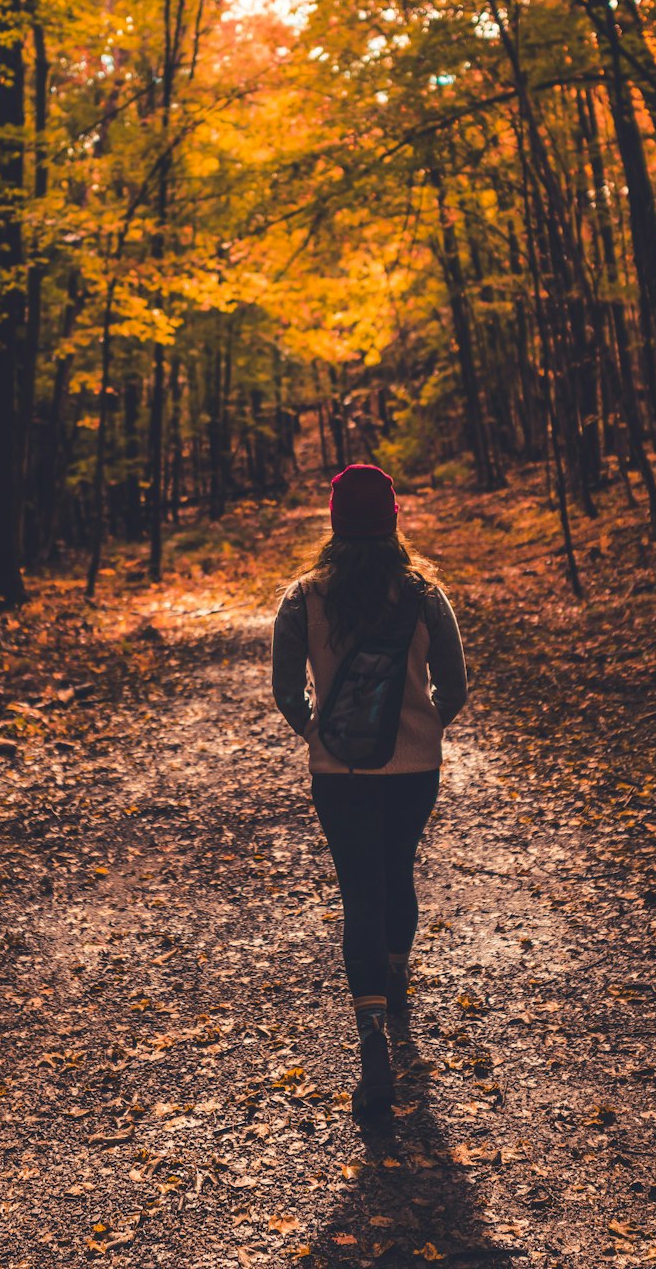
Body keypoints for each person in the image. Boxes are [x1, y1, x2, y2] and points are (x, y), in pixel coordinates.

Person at [271, 463, 468, 1120]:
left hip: (340, 773)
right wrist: (423, 725)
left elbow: (283, 691)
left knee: (360, 891)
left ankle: (373, 1038)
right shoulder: (422, 592)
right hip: (414, 768)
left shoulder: (303, 595)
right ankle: (396, 982)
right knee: (398, 874)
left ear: (333, 521)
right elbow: (456, 683)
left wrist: (320, 732)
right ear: (392, 518)